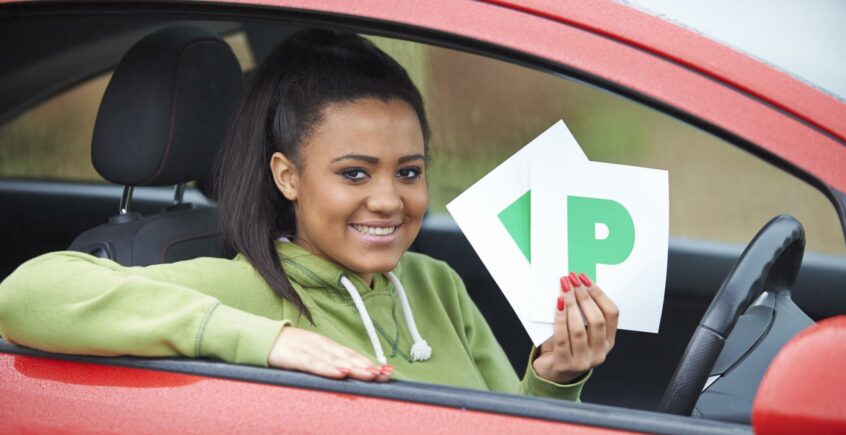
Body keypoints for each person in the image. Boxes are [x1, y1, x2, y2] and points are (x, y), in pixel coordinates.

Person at [0, 29, 618, 401]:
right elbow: (25, 296)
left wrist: (554, 375)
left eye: (409, 171)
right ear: (286, 176)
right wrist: (270, 341)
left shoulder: (436, 285)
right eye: (354, 172)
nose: (388, 200)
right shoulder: (247, 287)